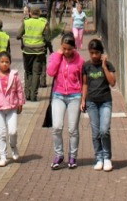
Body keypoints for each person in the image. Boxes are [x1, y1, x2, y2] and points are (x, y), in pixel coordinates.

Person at [47, 32, 85, 169]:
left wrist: (83, 99)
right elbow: (51, 72)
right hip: (58, 95)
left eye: (69, 49)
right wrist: (58, 56)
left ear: (74, 48)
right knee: (57, 127)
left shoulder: (80, 61)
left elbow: (83, 81)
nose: (67, 52)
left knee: (73, 129)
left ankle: (73, 156)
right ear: (61, 46)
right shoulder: (55, 57)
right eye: (64, 48)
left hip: (75, 96)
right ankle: (59, 155)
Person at [0, 52, 25, 167]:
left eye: (7, 62)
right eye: (2, 62)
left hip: (12, 108)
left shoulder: (14, 75)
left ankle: (13, 146)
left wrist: (20, 102)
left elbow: (19, 90)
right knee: (1, 133)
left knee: (13, 131)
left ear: (10, 63)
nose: (4, 64)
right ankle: (3, 156)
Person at [81, 38, 117, 172]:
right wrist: (83, 100)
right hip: (91, 103)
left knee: (104, 130)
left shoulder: (108, 65)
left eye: (97, 53)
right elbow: (85, 84)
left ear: (101, 52)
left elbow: (112, 83)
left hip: (105, 102)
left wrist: (104, 67)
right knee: (95, 133)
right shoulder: (86, 66)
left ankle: (107, 158)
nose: (94, 55)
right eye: (92, 53)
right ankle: (99, 158)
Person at [16, 7, 51, 101]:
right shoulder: (44, 23)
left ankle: (27, 94)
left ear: (30, 13)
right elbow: (48, 38)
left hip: (27, 51)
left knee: (28, 72)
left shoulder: (26, 22)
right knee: (36, 73)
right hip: (39, 52)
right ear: (39, 13)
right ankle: (33, 95)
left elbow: (18, 36)